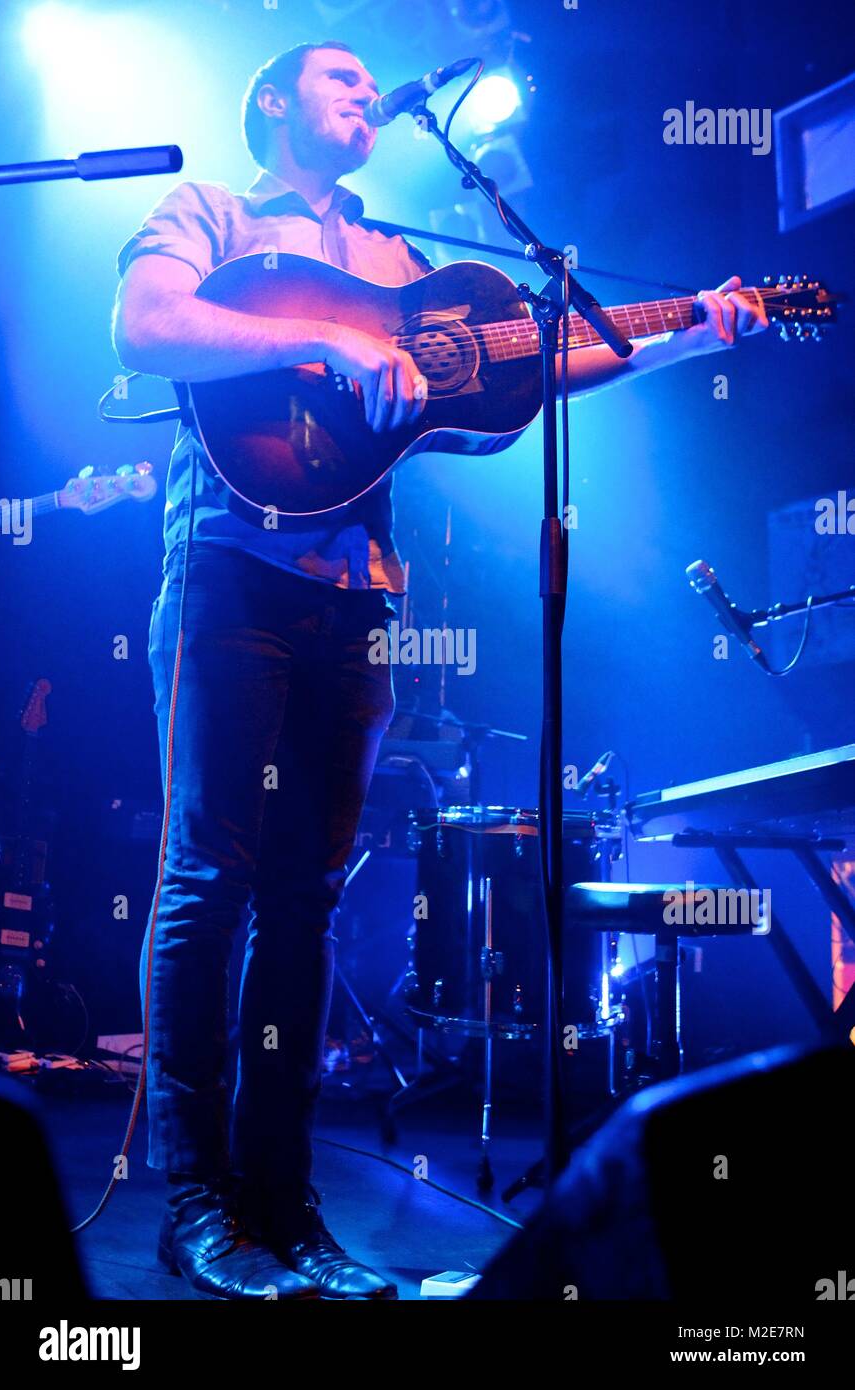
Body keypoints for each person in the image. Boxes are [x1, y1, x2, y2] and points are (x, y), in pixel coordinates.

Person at [112, 40, 768, 1301]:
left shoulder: (403, 258)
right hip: (228, 574)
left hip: (357, 599)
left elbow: (531, 361)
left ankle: (282, 1205)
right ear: (273, 103)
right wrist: (325, 341)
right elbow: (146, 325)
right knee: (209, 878)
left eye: (372, 86)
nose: (367, 94)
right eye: (340, 79)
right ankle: (196, 1204)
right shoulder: (210, 208)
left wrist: (691, 331)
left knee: (302, 896)